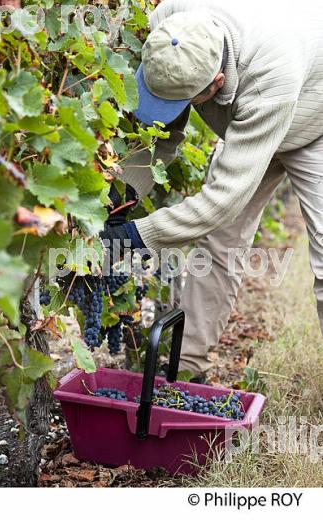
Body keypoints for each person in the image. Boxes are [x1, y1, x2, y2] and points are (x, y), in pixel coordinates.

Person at [101, 0, 323, 382]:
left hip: (312, 121)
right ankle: (185, 371)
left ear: (216, 82)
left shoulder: (271, 75)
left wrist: (139, 235)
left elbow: (222, 201)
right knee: (219, 245)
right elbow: (161, 132)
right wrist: (124, 191)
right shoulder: (169, 22)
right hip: (249, 117)